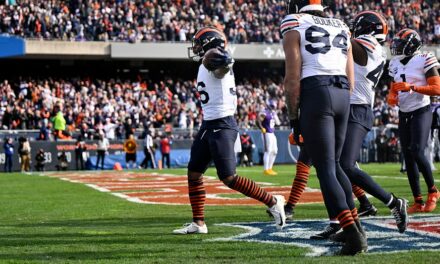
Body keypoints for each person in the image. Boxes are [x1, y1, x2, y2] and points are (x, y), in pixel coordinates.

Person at [173, 26, 285, 235]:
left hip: (222, 125)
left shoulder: (216, 59)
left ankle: (272, 201)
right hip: (208, 124)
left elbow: (222, 63)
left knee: (229, 177)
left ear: (208, 43)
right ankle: (199, 223)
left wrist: (224, 59)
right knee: (194, 173)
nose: (195, 47)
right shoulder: (206, 61)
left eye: (198, 43)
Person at [281, 0, 365, 255]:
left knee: (326, 168)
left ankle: (353, 236)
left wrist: (294, 119)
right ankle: (357, 227)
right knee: (336, 164)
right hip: (342, 93)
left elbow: (292, 77)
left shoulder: (294, 22)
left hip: (317, 92)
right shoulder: (340, 24)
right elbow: (351, 75)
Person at [387, 28, 440, 213]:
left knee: (417, 150)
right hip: (404, 112)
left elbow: (437, 88)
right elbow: (393, 87)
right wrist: (392, 95)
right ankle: (417, 201)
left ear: (411, 46)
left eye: (400, 45)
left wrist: (413, 87)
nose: (396, 48)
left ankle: (433, 191)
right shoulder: (394, 63)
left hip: (421, 110)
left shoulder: (424, 58)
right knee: (408, 156)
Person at [257, 102, 280, 175]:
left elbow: (278, 123)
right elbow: (257, 121)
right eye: (272, 106)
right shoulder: (265, 113)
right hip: (266, 133)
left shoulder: (273, 113)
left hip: (272, 133)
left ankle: (270, 168)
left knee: (275, 151)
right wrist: (261, 128)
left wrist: (275, 115)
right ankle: (265, 169)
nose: (273, 108)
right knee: (268, 151)